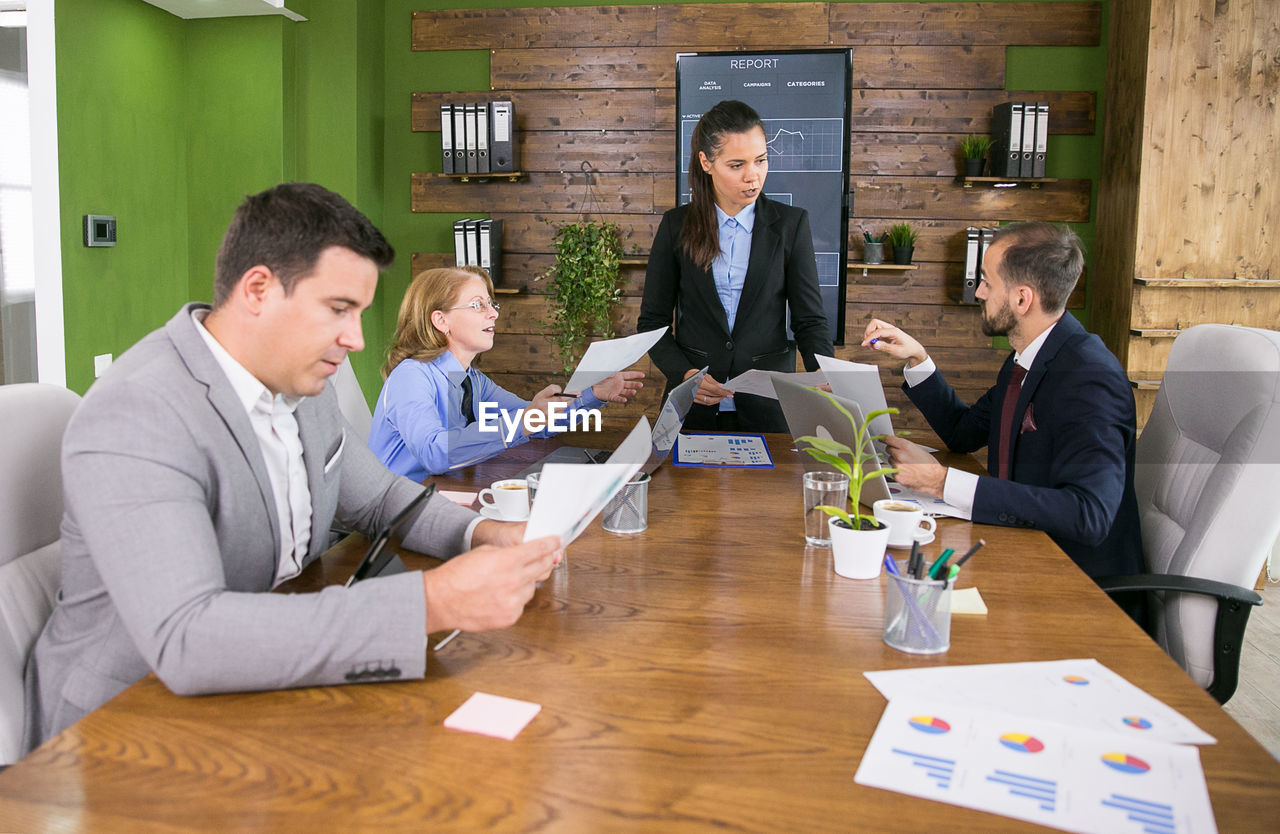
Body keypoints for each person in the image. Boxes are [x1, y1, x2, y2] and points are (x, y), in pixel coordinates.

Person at [23, 184, 561, 752]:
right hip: (116, 725)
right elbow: (187, 638)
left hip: (259, 673)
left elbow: (380, 498)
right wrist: (431, 602)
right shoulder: (140, 410)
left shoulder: (302, 383)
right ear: (257, 290)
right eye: (338, 310)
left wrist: (485, 534)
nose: (355, 340)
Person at [862, 221, 1143, 582]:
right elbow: (963, 433)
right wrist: (917, 358)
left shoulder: (1089, 378)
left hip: (1074, 584)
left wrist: (942, 482)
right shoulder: (1027, 358)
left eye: (987, 282)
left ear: (1022, 299)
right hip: (1018, 551)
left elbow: (1089, 514)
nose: (978, 292)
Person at [638, 100, 832, 433]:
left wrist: (826, 376)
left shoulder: (791, 225)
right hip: (692, 408)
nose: (753, 176)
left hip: (770, 408)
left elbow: (810, 321)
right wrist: (686, 377)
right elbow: (652, 323)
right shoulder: (676, 226)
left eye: (761, 160)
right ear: (706, 162)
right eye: (737, 165)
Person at [369, 266, 644, 480]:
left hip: (443, 493)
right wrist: (523, 421)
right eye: (478, 305)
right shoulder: (411, 377)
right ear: (441, 320)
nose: (493, 315)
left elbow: (540, 423)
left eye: (491, 304)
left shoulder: (473, 382)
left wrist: (594, 395)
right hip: (395, 514)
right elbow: (436, 452)